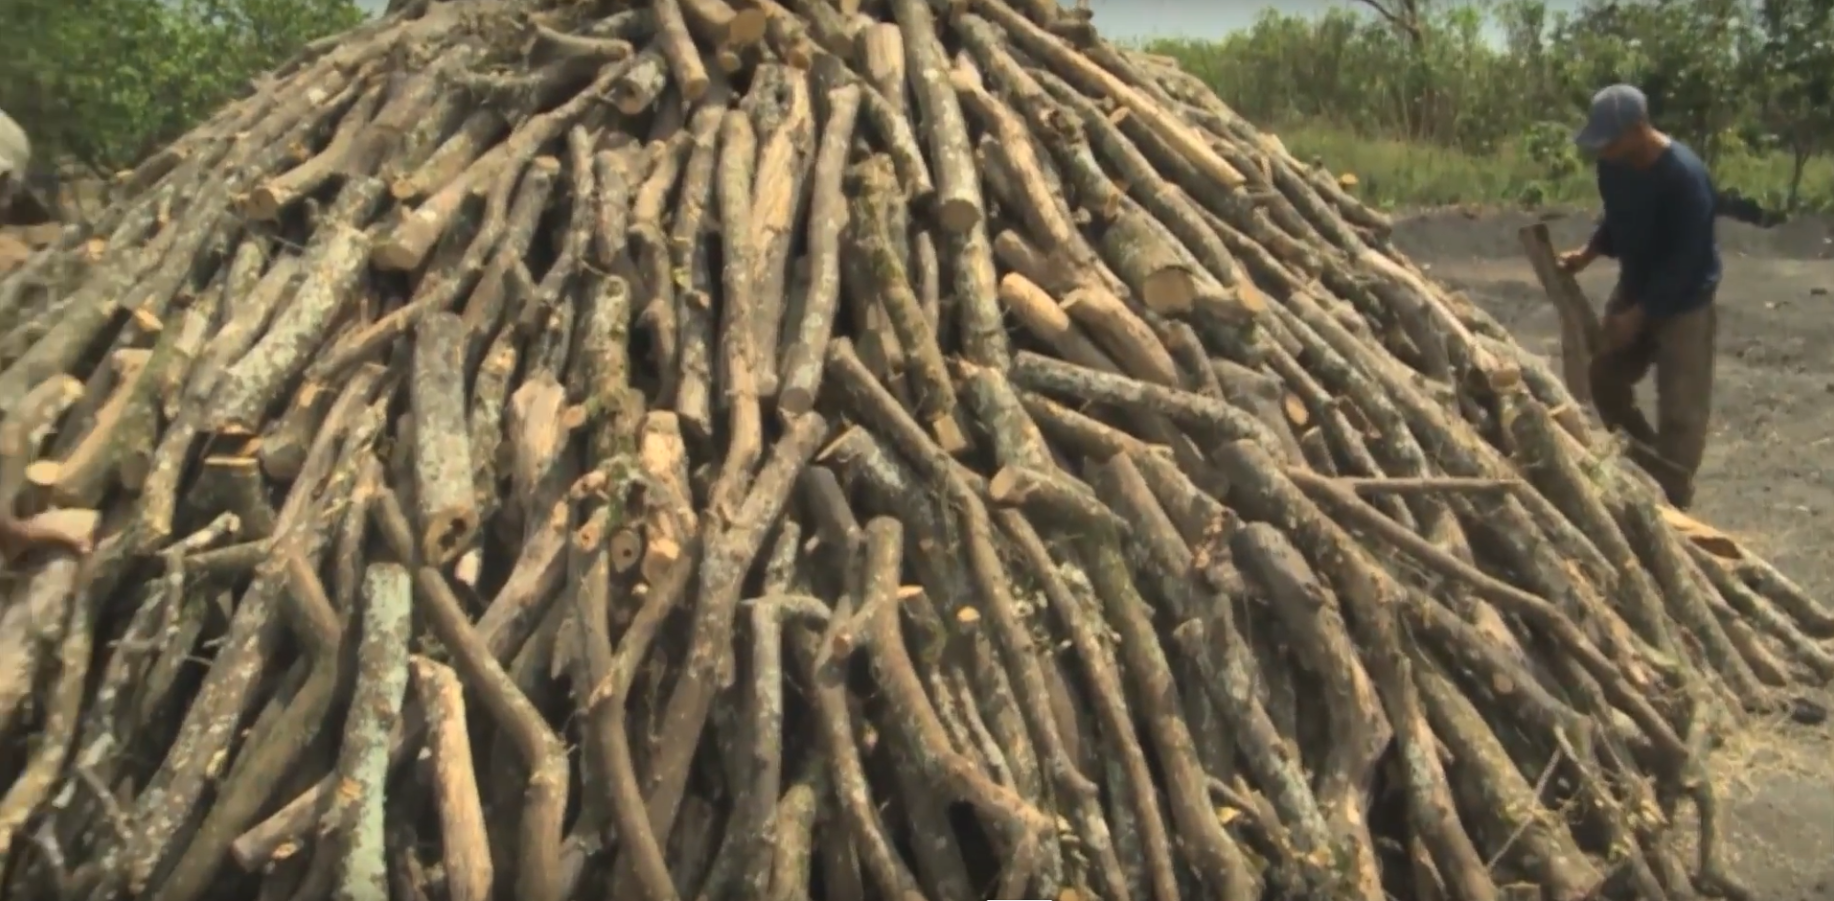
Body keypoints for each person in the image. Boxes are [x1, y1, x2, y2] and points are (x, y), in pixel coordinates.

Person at [1557, 83, 1721, 510]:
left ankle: (1675, 498)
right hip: (1637, 285)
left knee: (1682, 411)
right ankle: (1647, 468)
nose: (1602, 151)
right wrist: (1588, 254)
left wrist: (1640, 315)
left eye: (1609, 141)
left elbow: (1688, 260)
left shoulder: (1685, 178)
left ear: (1638, 129)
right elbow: (1618, 219)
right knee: (1605, 376)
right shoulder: (1614, 167)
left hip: (1685, 302)